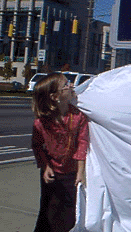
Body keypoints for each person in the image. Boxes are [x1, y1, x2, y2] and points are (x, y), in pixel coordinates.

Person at [31, 73, 89, 232]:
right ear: (55, 96)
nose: (70, 85)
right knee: (48, 212)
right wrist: (45, 166)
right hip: (51, 174)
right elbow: (37, 145)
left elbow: (82, 143)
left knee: (68, 215)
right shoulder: (42, 121)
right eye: (66, 84)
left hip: (71, 174)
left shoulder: (77, 116)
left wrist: (80, 171)